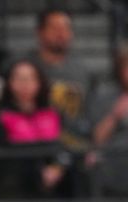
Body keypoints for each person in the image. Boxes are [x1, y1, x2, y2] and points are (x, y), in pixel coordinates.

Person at [0, 59, 70, 199]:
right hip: (15, 194)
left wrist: (57, 168)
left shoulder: (53, 115)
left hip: (56, 194)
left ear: (40, 82)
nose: (25, 84)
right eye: (19, 78)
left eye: (31, 78)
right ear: (9, 83)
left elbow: (67, 149)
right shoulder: (0, 118)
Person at [25, 8, 93, 149]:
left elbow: (89, 113)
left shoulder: (82, 71)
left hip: (74, 147)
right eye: (55, 28)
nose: (61, 33)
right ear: (40, 32)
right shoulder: (25, 67)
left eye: (66, 28)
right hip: (33, 146)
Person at [86, 46, 128, 198]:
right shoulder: (104, 96)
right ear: (120, 69)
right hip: (113, 172)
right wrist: (115, 114)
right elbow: (97, 138)